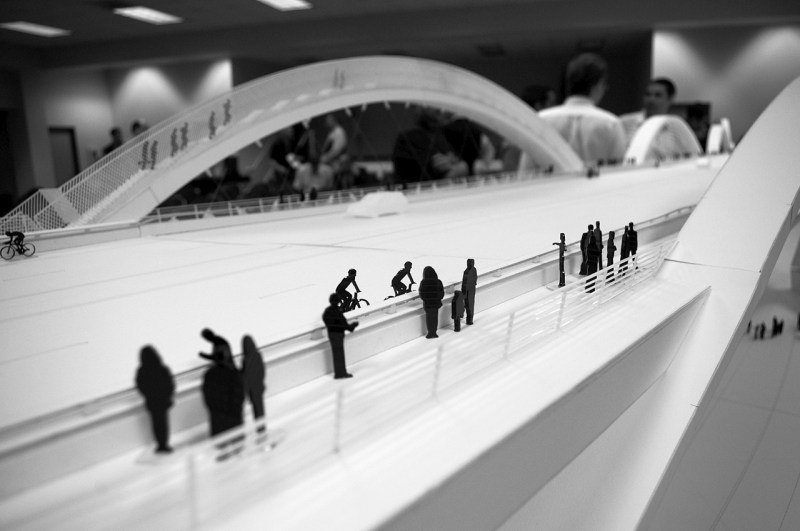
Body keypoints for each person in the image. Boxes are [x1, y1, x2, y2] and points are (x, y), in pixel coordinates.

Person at [539, 53, 626, 166]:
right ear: (599, 84)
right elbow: (618, 170)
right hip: (597, 178)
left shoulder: (541, 119)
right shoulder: (611, 124)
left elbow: (526, 171)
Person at [621, 78, 700, 159]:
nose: (651, 99)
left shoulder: (676, 126)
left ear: (670, 99)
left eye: (658, 95)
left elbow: (696, 156)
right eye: (648, 94)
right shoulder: (625, 122)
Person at [391, 109, 467, 188]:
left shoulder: (441, 135)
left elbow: (456, 161)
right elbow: (441, 164)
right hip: (418, 192)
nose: (439, 109)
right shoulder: (410, 137)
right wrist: (455, 165)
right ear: (421, 107)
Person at [199, 329, 245, 440]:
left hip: (221, 420)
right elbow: (240, 396)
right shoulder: (234, 374)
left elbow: (207, 396)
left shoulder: (210, 374)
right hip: (230, 419)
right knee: (235, 442)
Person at [135, 346, 175, 454]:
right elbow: (170, 384)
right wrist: (168, 395)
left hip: (152, 402)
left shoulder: (141, 371)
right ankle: (165, 444)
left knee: (156, 424)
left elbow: (140, 386)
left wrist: (148, 395)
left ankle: (160, 445)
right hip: (163, 401)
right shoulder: (162, 368)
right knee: (164, 423)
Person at [322, 293, 359, 379]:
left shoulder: (328, 311)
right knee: (339, 354)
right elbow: (343, 324)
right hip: (337, 335)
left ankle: (339, 373)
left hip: (333, 334)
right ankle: (341, 373)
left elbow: (330, 322)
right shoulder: (336, 311)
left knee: (337, 354)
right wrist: (351, 326)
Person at [241, 335, 266, 435]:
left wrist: (246, 390)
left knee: (256, 410)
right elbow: (262, 371)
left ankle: (260, 430)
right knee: (260, 409)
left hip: (252, 389)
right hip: (258, 387)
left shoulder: (245, 360)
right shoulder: (258, 355)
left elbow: (245, 376)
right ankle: (262, 429)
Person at [419, 265, 445, 338]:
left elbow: (421, 294)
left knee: (429, 318)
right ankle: (434, 332)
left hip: (428, 304)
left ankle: (430, 332)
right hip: (436, 303)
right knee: (435, 318)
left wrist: (426, 299)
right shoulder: (438, 281)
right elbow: (442, 293)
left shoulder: (423, 282)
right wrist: (438, 299)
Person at [461, 258, 478, 325]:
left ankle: (469, 320)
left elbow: (465, 283)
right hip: (471, 290)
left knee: (469, 305)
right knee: (470, 305)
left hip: (469, 291)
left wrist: (463, 292)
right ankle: (470, 320)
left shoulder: (467, 271)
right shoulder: (473, 270)